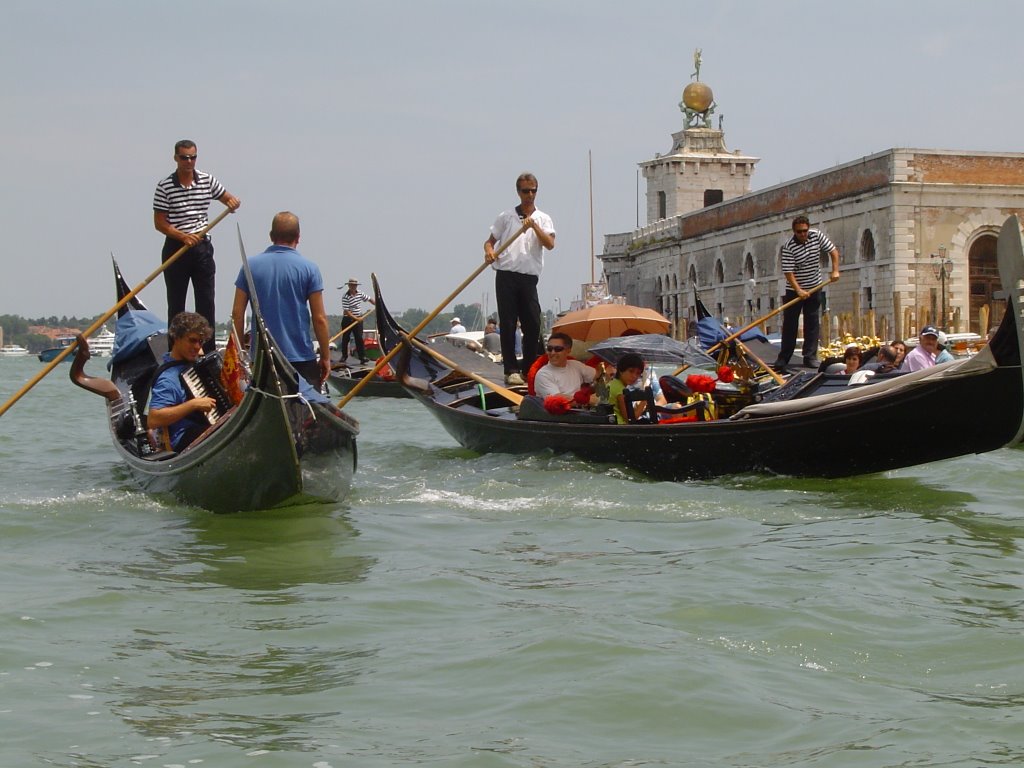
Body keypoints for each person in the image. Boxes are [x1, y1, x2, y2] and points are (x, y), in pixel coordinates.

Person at [153, 139, 240, 351]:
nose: (189, 161)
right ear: (176, 158)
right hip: (176, 248)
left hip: (201, 249)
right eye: (184, 157)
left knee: (206, 303)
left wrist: (232, 203)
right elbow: (160, 223)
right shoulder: (165, 186)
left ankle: (208, 352)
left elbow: (228, 198)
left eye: (193, 157)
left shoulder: (207, 180)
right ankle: (175, 352)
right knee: (176, 305)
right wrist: (182, 236)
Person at [231, 212, 330, 389]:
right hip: (301, 357)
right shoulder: (310, 269)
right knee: (307, 413)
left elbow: (237, 314)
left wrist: (241, 354)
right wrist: (325, 357)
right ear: (298, 238)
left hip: (263, 359)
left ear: (271, 236)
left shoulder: (250, 266)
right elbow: (319, 318)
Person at [484, 172, 556, 386]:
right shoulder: (506, 217)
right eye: (526, 191)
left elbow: (550, 244)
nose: (530, 195)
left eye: (533, 190)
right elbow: (489, 242)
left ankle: (528, 369)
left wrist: (534, 226)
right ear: (518, 192)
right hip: (506, 276)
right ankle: (511, 370)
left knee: (533, 324)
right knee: (507, 323)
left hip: (528, 278)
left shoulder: (543, 219)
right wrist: (489, 252)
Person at [772, 215, 840, 371]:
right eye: (799, 232)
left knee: (812, 322)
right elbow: (788, 273)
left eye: (804, 231)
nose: (802, 234)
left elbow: (833, 251)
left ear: (808, 229)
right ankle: (784, 358)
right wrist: (798, 290)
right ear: (794, 232)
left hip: (815, 286)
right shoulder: (788, 247)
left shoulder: (817, 236)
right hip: (795, 289)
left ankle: (809, 357)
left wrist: (835, 270)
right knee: (790, 323)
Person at [147, 312, 218, 451]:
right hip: (182, 439)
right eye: (192, 340)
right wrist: (193, 404)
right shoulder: (168, 378)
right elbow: (153, 419)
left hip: (202, 430)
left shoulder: (194, 364)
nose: (197, 346)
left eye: (201, 342)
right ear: (176, 338)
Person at [534, 332, 596, 398]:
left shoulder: (575, 365)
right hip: (559, 407)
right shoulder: (543, 374)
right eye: (549, 349)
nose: (553, 353)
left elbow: (597, 376)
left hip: (581, 406)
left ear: (568, 351)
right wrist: (587, 400)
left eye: (558, 349)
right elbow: (557, 399)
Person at [339, 278, 375, 365]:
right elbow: (347, 311)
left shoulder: (360, 293)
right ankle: (344, 356)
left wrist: (376, 303)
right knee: (346, 338)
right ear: (348, 285)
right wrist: (356, 318)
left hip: (358, 319)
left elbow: (369, 299)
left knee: (359, 338)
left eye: (355, 285)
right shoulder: (345, 296)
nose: (353, 287)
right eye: (351, 285)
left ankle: (362, 357)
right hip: (348, 319)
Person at [608, 353, 647, 424]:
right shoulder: (621, 390)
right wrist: (644, 402)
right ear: (621, 370)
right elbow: (630, 419)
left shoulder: (611, 383)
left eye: (638, 373)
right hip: (619, 426)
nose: (634, 376)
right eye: (631, 371)